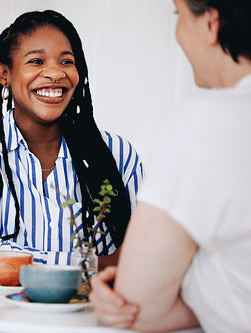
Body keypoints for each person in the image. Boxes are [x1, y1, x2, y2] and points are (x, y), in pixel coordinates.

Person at [0, 9, 143, 281]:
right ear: (5, 75)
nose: (55, 73)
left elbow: (145, 256)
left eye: (66, 62)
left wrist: (17, 260)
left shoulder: (118, 155)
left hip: (83, 323)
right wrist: (94, 265)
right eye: (36, 61)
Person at [89, 0, 251, 332]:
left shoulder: (208, 123)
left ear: (210, 23)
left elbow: (137, 309)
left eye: (178, 14)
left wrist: (139, 282)